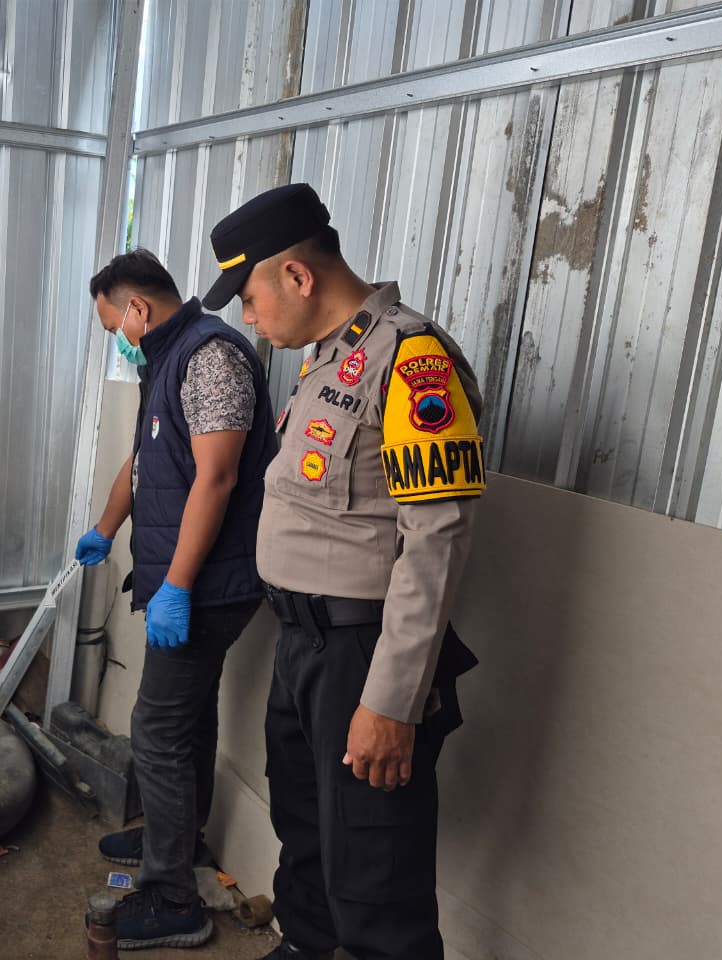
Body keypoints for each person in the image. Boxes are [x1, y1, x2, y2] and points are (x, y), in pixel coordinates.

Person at [200, 183, 483, 960]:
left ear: (297, 276)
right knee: (308, 838)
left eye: (249, 298)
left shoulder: (411, 359)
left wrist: (391, 700)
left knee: (373, 870)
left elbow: (437, 540)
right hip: (304, 647)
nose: (248, 318)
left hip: (363, 654)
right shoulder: (330, 358)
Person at [75, 248, 277, 950]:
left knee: (158, 730)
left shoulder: (210, 357)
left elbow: (217, 478)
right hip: (186, 580)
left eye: (115, 326)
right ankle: (176, 838)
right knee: (186, 719)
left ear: (137, 307)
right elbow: (144, 462)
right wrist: (105, 529)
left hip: (208, 585)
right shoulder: (164, 361)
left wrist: (179, 587)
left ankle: (172, 896)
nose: (118, 339)